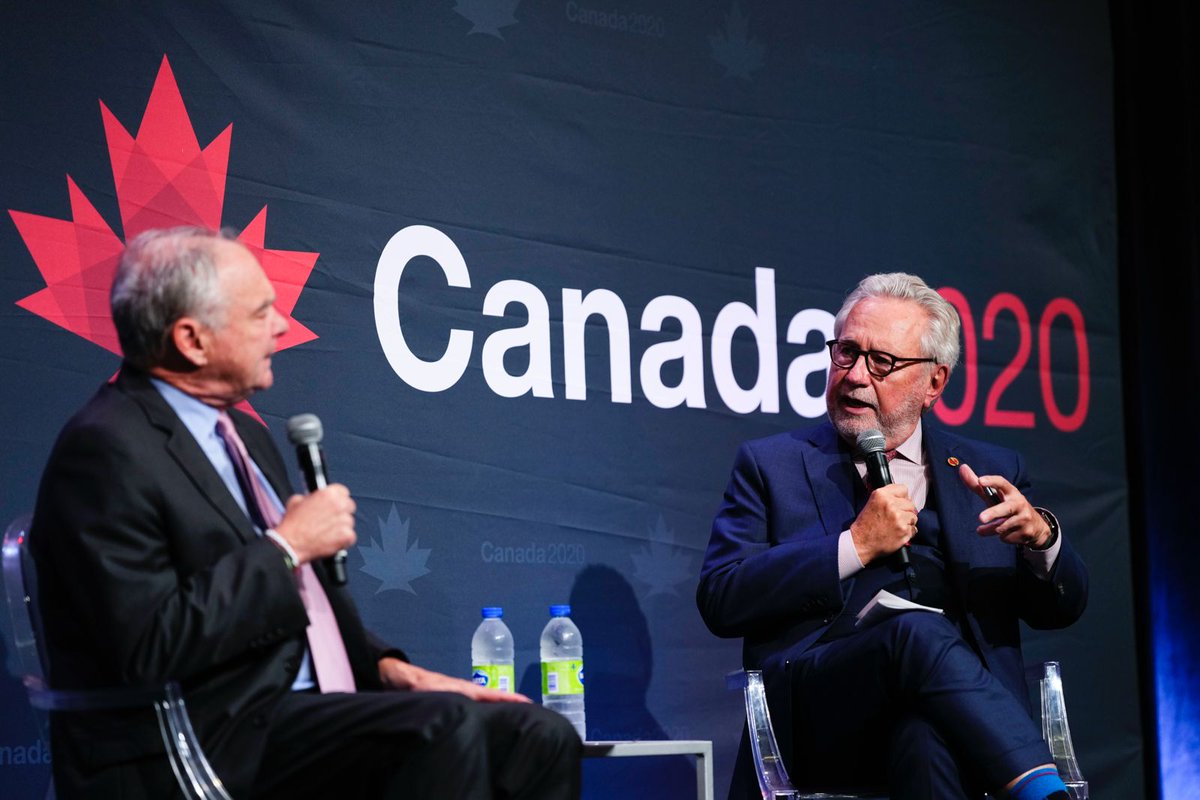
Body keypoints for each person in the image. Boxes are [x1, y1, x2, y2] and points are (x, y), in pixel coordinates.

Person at [29, 227, 581, 799]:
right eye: (260, 312)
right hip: (202, 738)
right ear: (192, 340)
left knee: (538, 736)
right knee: (443, 728)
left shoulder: (242, 435)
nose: (282, 326)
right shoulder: (106, 449)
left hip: (296, 717)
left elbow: (300, 609)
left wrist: (390, 670)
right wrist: (286, 547)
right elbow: (146, 646)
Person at [697, 273, 1088, 800]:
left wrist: (1041, 539)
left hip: (953, 720)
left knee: (924, 738)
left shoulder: (990, 470)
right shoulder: (772, 465)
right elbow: (721, 596)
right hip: (821, 715)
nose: (855, 376)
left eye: (881, 362)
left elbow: (1061, 608)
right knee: (915, 633)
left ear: (934, 383)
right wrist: (854, 546)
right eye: (846, 353)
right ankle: (1044, 791)